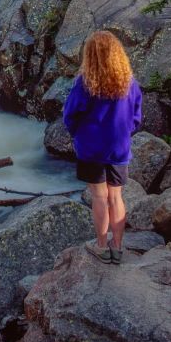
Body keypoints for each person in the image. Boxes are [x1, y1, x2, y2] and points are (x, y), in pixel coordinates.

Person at [63, 31, 143, 265]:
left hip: (91, 148)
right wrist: (124, 134)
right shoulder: (130, 83)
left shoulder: (86, 83)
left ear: (90, 56)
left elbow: (70, 115)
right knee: (116, 197)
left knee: (99, 197)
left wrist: (78, 134)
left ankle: (101, 246)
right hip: (119, 147)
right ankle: (117, 248)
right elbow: (136, 118)